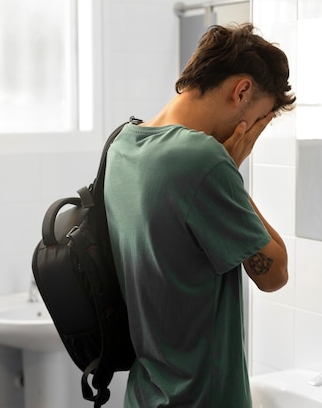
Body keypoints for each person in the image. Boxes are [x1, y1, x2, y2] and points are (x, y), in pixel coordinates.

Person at [104, 23, 294, 407]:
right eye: (260, 119)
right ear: (241, 91)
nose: (254, 131)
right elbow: (275, 273)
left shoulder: (123, 144)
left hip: (143, 395)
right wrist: (229, 170)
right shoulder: (201, 159)